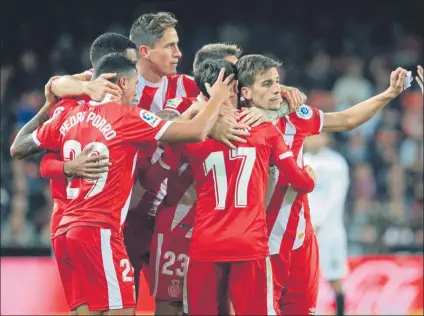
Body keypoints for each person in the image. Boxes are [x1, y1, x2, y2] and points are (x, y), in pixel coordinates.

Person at [10, 53, 235, 315]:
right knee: (123, 310)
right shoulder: (126, 117)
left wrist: (48, 106)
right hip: (100, 232)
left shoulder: (67, 115)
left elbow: (18, 147)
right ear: (123, 84)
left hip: (64, 234)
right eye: (136, 84)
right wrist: (218, 96)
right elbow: (196, 131)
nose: (137, 93)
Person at [236, 54, 409, 315]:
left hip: (300, 239)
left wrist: (388, 94)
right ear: (245, 91)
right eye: (267, 83)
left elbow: (347, 119)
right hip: (259, 242)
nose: (276, 89)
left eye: (277, 82)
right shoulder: (231, 124)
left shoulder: (296, 116)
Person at [162, 58, 316, 315]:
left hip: (204, 244)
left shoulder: (190, 134)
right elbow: (301, 182)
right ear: (235, 88)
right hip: (250, 244)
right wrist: (310, 176)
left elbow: (159, 172)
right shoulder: (264, 129)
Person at [40, 33, 141, 246]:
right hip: (80, 221)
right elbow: (23, 149)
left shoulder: (132, 94)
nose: (135, 70)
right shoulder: (74, 100)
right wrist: (68, 166)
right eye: (131, 63)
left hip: (117, 219)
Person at [304, 133, 350, 316]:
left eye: (317, 136)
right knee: (303, 277)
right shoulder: (301, 160)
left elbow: (335, 196)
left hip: (330, 230)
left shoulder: (336, 163)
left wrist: (318, 221)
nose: (313, 140)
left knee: (334, 277)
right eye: (309, 136)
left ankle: (340, 312)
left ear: (326, 138)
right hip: (305, 230)